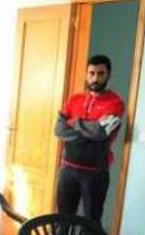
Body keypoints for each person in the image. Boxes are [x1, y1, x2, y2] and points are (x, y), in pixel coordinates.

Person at [53, 54, 125, 224]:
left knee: (91, 222)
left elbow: (101, 132)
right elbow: (59, 129)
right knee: (62, 220)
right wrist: (88, 129)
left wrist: (75, 122)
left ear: (108, 75)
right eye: (91, 73)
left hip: (95, 173)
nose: (95, 78)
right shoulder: (74, 100)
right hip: (68, 169)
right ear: (86, 74)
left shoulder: (115, 103)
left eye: (100, 74)